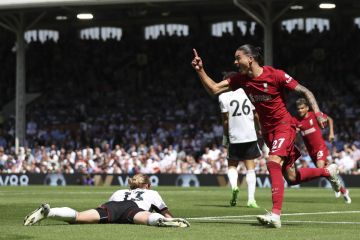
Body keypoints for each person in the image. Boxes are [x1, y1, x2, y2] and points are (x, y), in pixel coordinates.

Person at [191, 44, 343, 228]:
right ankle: (327, 171)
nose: (235, 62)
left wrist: (317, 112)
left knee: (272, 162)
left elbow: (305, 91)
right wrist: (200, 70)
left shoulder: (276, 75)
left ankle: (275, 215)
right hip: (268, 132)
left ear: (250, 59)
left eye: (238, 58)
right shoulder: (241, 80)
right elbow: (214, 89)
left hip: (284, 126)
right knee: (292, 177)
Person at [24, 173, 190, 228]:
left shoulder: (120, 191)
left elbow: (102, 207)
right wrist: (170, 218)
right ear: (147, 184)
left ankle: (49, 212)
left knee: (79, 217)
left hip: (111, 206)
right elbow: (167, 212)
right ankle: (161, 222)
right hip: (133, 208)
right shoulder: (151, 193)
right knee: (147, 218)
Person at [294, 98, 351, 203]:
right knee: (325, 172)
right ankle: (343, 190)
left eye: (302, 108)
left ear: (307, 108)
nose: (300, 110)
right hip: (311, 152)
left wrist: (331, 133)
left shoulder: (315, 115)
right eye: (298, 109)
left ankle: (337, 186)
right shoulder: (297, 121)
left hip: (320, 148)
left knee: (321, 168)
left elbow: (330, 119)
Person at [219, 72, 261, 208]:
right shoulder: (249, 93)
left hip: (234, 136)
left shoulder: (223, 96)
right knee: (250, 169)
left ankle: (235, 186)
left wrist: (225, 137)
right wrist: (259, 128)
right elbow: (256, 115)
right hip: (249, 135)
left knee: (232, 165)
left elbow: (225, 120)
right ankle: (251, 199)